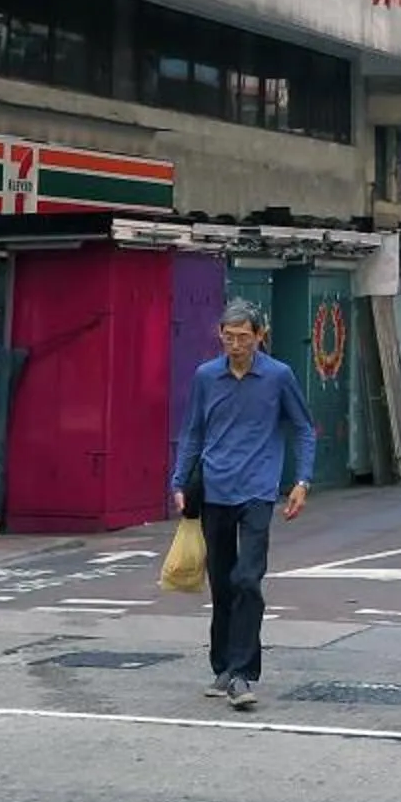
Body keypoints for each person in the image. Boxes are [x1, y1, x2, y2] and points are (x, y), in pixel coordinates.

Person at [170, 299, 315, 713]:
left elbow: (304, 429)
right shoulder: (205, 377)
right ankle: (222, 665)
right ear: (220, 335)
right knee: (222, 582)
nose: (235, 345)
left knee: (248, 579)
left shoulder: (278, 376)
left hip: (258, 490)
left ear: (259, 337)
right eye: (228, 337)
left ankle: (241, 673)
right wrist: (179, 481)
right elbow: (193, 432)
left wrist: (302, 481)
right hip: (214, 488)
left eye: (243, 338)